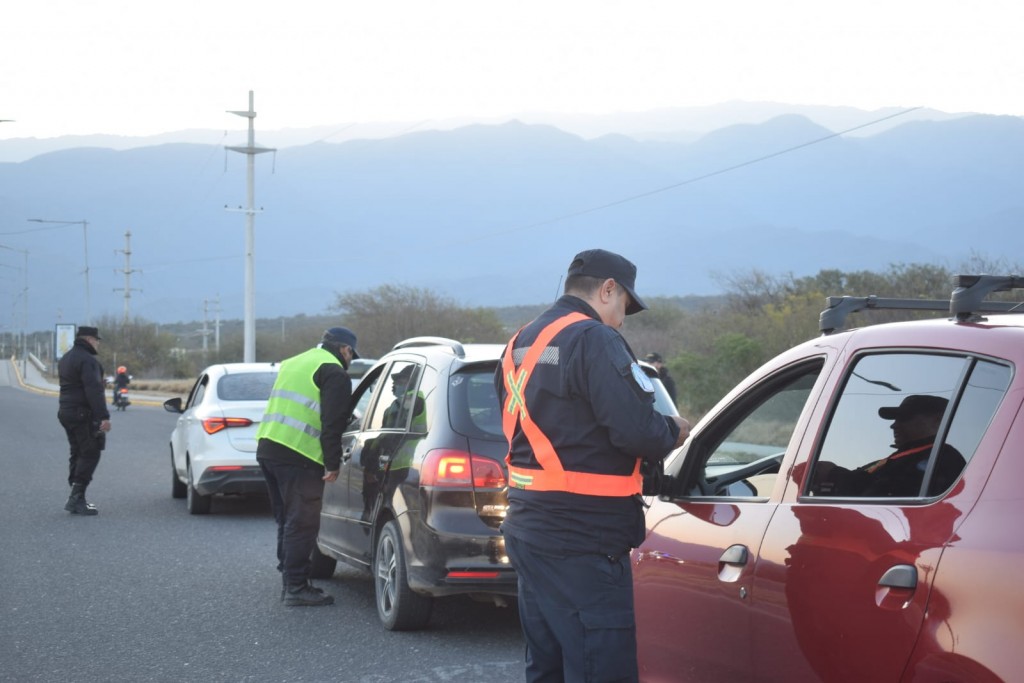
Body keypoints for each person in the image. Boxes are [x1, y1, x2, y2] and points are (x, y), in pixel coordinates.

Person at [496, 248, 690, 683]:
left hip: (530, 526)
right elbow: (637, 430)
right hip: (583, 537)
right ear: (607, 290)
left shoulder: (519, 344)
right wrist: (674, 429)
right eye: (624, 306)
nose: (622, 319)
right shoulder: (594, 338)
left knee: (548, 665)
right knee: (601, 666)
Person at [256, 326, 358, 606]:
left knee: (287, 519)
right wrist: (332, 463)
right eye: (351, 354)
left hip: (269, 447)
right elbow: (332, 424)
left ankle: (288, 574)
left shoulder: (294, 362)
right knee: (302, 523)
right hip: (299, 455)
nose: (350, 360)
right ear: (344, 350)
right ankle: (296, 588)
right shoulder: (334, 372)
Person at [818, 394, 966, 497]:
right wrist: (831, 473)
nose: (894, 425)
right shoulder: (907, 457)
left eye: (905, 418)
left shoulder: (942, 459)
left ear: (937, 421)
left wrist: (833, 474)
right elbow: (864, 481)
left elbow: (877, 495)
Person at [57, 325, 112, 516]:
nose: (98, 344)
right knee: (91, 452)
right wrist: (103, 417)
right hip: (81, 413)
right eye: (97, 340)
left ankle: (76, 493)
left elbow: (74, 385)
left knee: (78, 451)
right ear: (90, 339)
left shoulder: (66, 357)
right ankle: (76, 498)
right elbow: (93, 391)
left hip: (66, 411)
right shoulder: (88, 360)